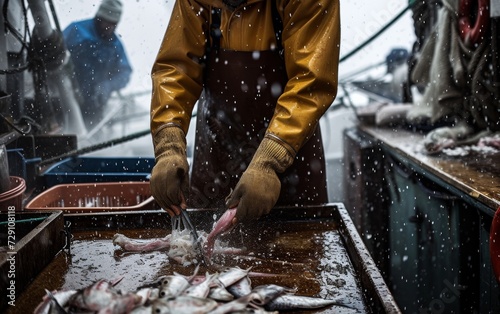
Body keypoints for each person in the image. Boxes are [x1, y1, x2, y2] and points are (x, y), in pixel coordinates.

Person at [150, 0, 340, 226]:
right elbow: (176, 70)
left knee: (301, 251)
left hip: (292, 167)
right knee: (201, 248)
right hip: (216, 157)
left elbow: (310, 84)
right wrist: (168, 146)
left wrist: (269, 162)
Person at [63, 0, 132, 128]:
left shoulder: (116, 46)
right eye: (107, 21)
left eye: (114, 24)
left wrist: (108, 85)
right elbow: (54, 52)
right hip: (65, 98)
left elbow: (125, 72)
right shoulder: (76, 31)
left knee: (91, 138)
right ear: (99, 17)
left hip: (94, 105)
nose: (110, 27)